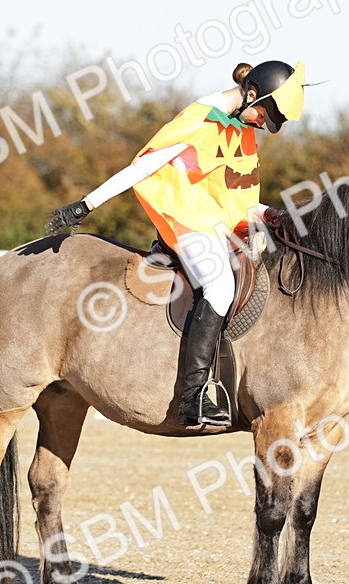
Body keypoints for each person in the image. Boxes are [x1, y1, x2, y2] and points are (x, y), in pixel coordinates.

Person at [44, 59, 308, 427]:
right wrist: (86, 204)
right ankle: (194, 395)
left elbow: (239, 200)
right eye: (267, 114)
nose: (266, 124)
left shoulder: (244, 134)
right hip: (185, 222)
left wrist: (271, 216)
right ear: (251, 95)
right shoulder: (200, 121)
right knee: (219, 285)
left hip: (217, 224)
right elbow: (143, 167)